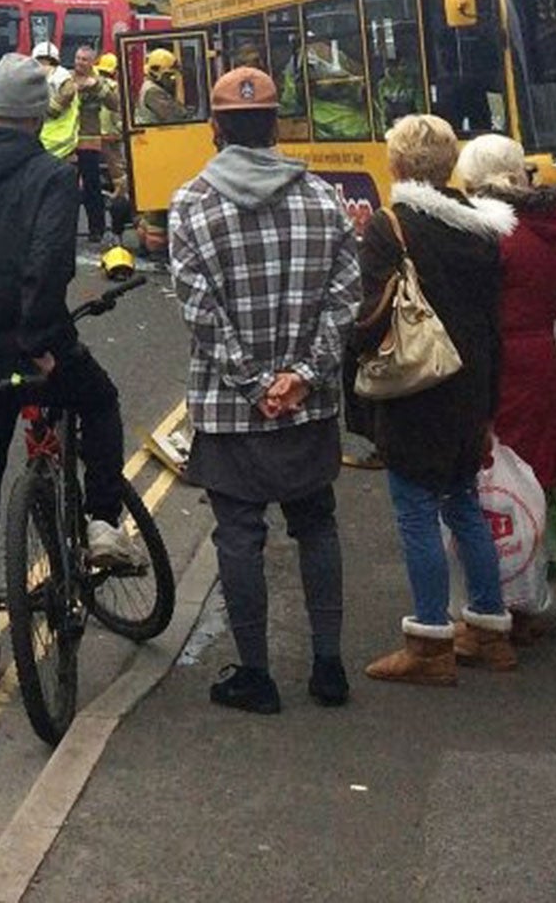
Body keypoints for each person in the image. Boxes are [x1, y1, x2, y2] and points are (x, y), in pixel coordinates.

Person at [0, 53, 143, 692]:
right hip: (35, 351)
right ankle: (101, 521)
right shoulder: (49, 176)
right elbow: (46, 267)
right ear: (40, 114)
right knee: (98, 401)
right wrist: (41, 342)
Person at [168, 67, 362, 714]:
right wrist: (302, 376)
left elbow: (201, 315)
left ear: (216, 128)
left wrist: (253, 385)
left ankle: (256, 675)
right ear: (275, 125)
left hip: (230, 410)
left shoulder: (191, 205)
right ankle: (328, 666)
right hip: (307, 406)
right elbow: (345, 302)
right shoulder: (324, 199)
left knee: (239, 534)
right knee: (317, 523)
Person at [355, 115, 518, 686]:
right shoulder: (483, 228)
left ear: (397, 164)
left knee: (417, 511)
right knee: (464, 504)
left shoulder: (391, 227)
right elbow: (492, 323)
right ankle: (490, 632)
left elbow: (370, 317)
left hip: (416, 388)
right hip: (472, 385)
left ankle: (429, 645)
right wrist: (491, 401)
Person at [455, 135, 556, 497]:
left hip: (497, 360)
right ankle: (547, 548)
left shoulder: (489, 233)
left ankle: (507, 549)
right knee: (538, 468)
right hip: (542, 354)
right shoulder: (546, 224)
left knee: (496, 472)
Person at [132, 47, 190, 260]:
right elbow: (175, 116)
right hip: (157, 149)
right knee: (158, 205)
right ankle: (156, 249)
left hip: (151, 149)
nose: (173, 80)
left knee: (151, 207)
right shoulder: (154, 91)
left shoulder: (150, 87)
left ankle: (146, 244)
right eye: (169, 75)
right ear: (158, 72)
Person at [60, 46, 120, 242]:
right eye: (77, 58)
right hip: (66, 141)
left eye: (84, 59)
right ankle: (65, 230)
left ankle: (97, 229)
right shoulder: (66, 78)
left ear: (93, 62)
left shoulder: (100, 81)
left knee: (92, 188)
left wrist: (95, 87)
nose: (79, 63)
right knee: (66, 189)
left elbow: (114, 104)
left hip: (89, 142)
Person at [35, 42, 78, 162]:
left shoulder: (58, 74)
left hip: (48, 136)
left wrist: (52, 109)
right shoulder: (60, 73)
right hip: (62, 139)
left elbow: (68, 91)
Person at [95, 52, 125, 189]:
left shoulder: (93, 84)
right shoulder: (114, 87)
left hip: (95, 133)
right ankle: (121, 192)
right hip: (111, 133)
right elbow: (116, 112)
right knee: (117, 165)